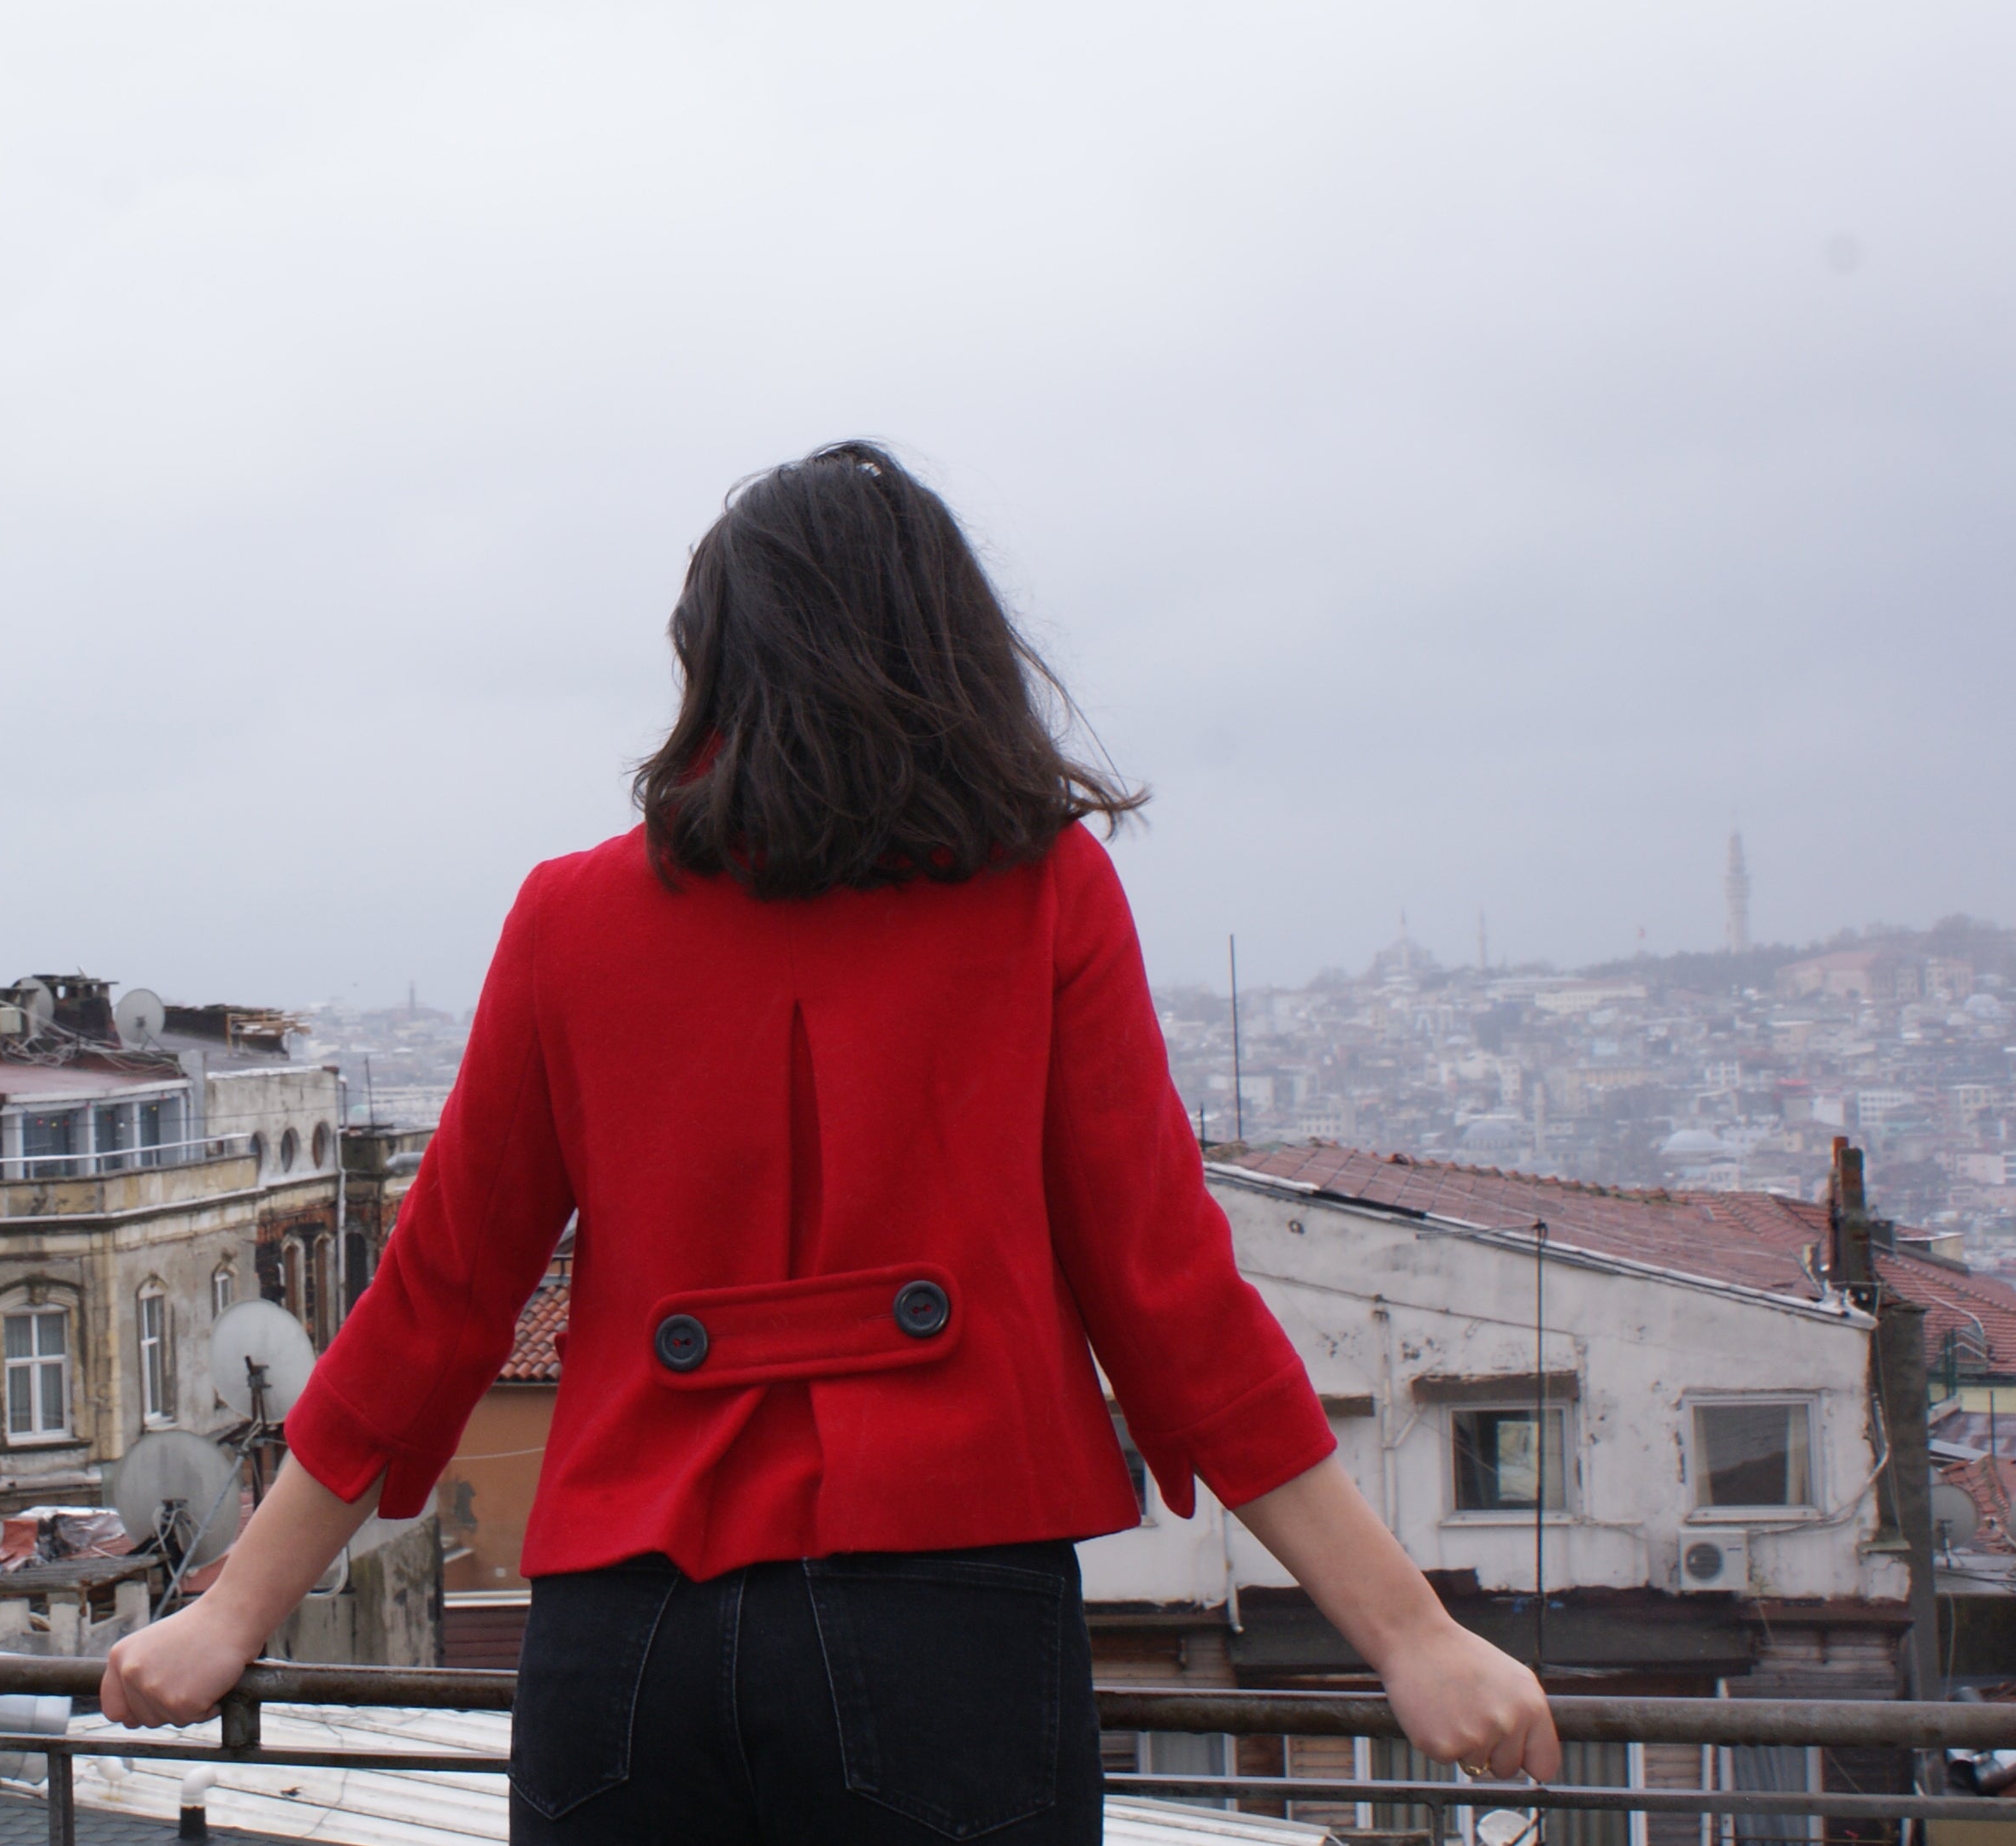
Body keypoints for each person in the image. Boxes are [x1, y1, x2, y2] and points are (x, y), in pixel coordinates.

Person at [103, 443, 1557, 1843]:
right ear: (947, 653)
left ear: (713, 660)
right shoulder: (1046, 895)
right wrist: (1412, 1637)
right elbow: (1171, 1302)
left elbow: (438, 1296)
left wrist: (233, 1611)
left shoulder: (570, 919)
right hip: (947, 1631)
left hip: (627, 1645)